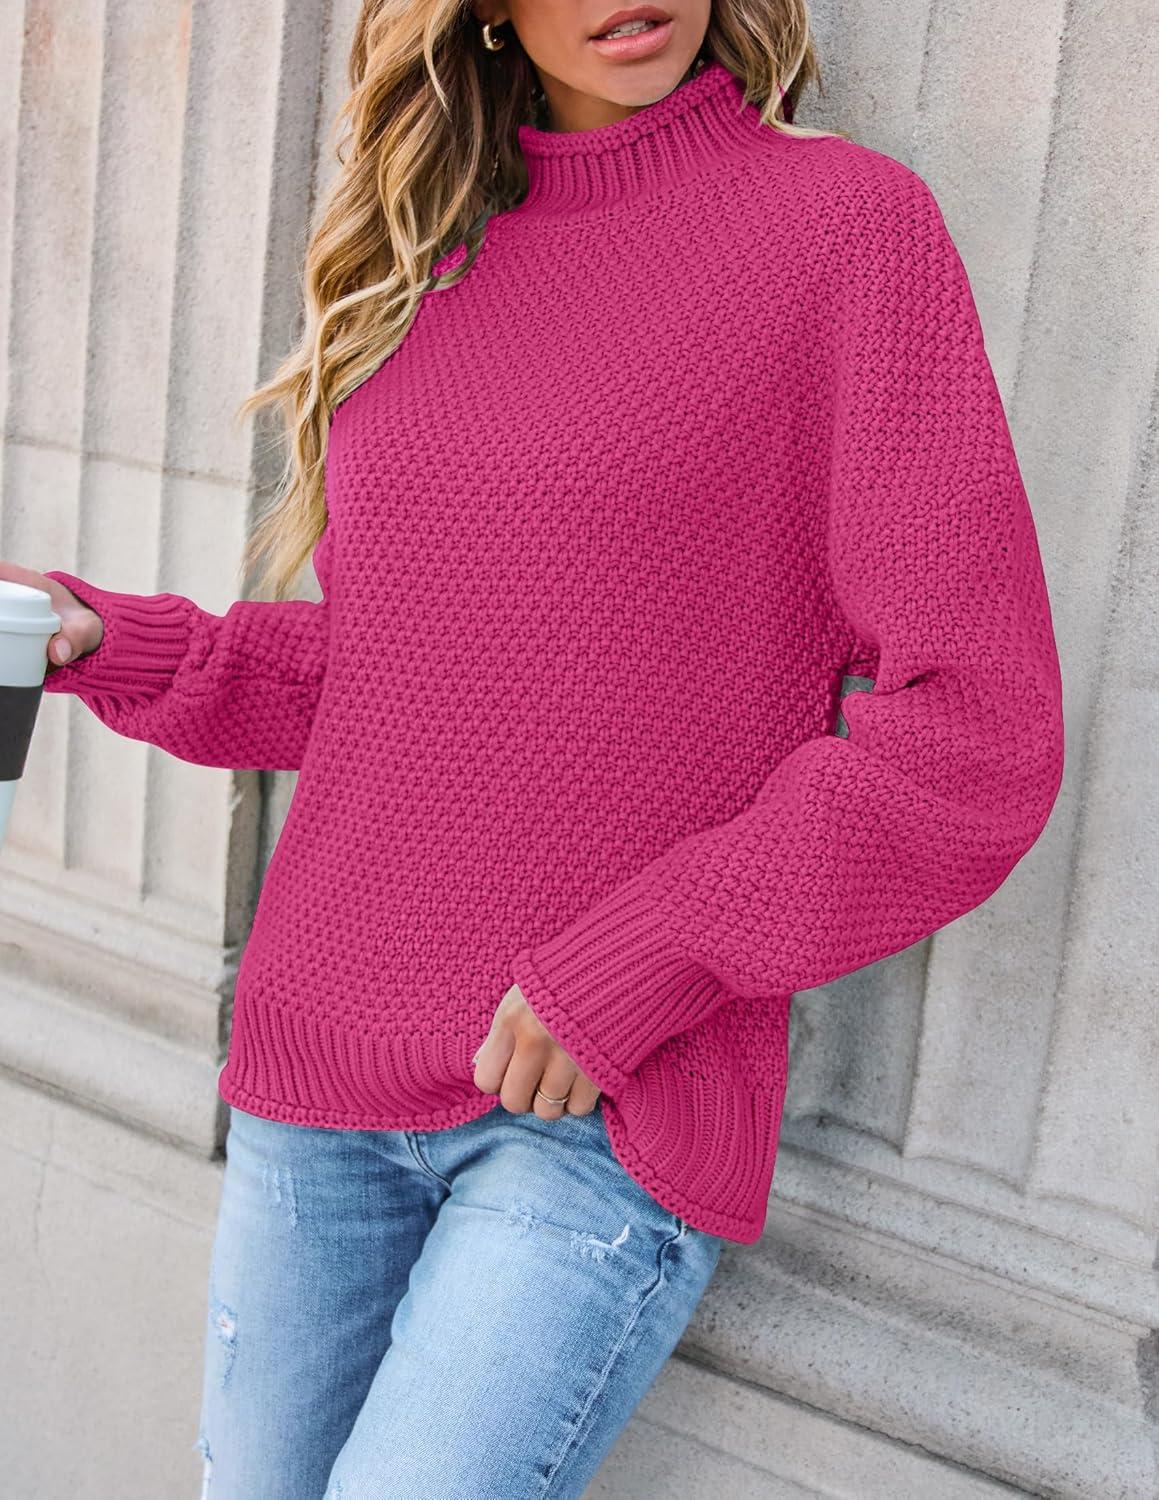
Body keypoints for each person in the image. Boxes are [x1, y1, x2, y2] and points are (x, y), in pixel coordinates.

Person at [5, 0, 1066, 1495]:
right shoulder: (422, 257)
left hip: (593, 1107)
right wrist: (115, 641)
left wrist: (651, 957)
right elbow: (401, 678)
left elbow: (975, 732)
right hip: (321, 1069)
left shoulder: (844, 231)